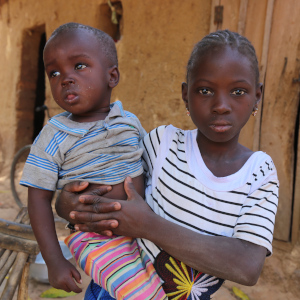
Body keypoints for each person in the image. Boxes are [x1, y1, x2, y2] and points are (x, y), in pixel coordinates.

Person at [56, 29, 279, 300]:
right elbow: (106, 193)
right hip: (115, 292)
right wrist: (69, 204)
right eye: (205, 90)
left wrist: (148, 225)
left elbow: (246, 267)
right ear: (186, 95)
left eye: (238, 91)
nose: (221, 105)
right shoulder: (164, 143)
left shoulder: (259, 173)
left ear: (257, 96)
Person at [20, 23, 166, 299]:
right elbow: (38, 199)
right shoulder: (53, 135)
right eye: (54, 72)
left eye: (80, 66)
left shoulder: (130, 123)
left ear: (112, 76)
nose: (65, 78)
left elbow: (152, 172)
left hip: (144, 231)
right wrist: (54, 261)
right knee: (140, 294)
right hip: (97, 238)